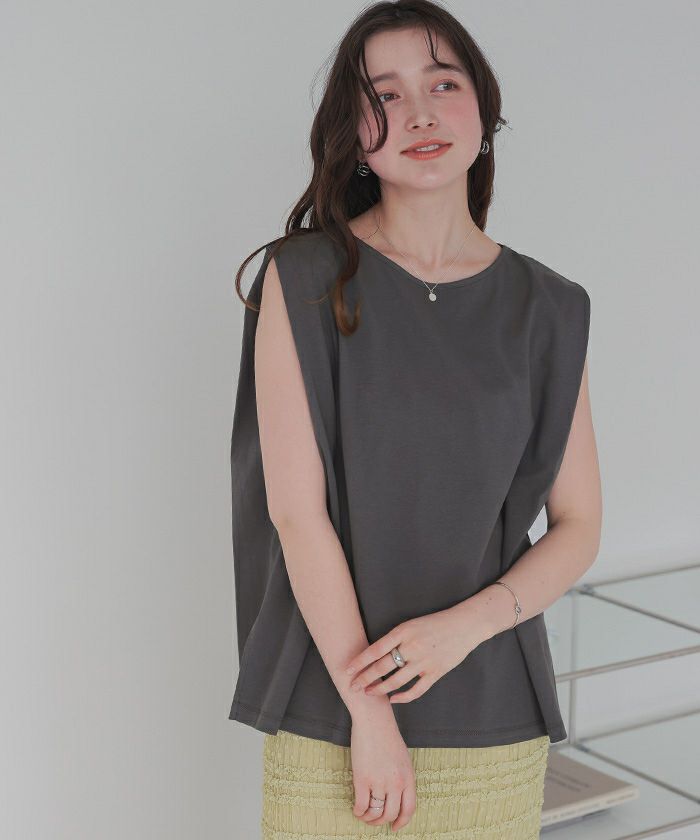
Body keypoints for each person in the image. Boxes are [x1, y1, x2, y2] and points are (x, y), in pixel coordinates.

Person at [228, 1, 602, 836]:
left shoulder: (552, 307)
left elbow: (578, 526)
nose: (421, 113)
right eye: (386, 95)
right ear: (354, 134)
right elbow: (296, 512)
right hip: (330, 711)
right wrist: (371, 714)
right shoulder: (304, 277)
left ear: (484, 108)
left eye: (443, 83)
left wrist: (458, 631)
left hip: (492, 711)